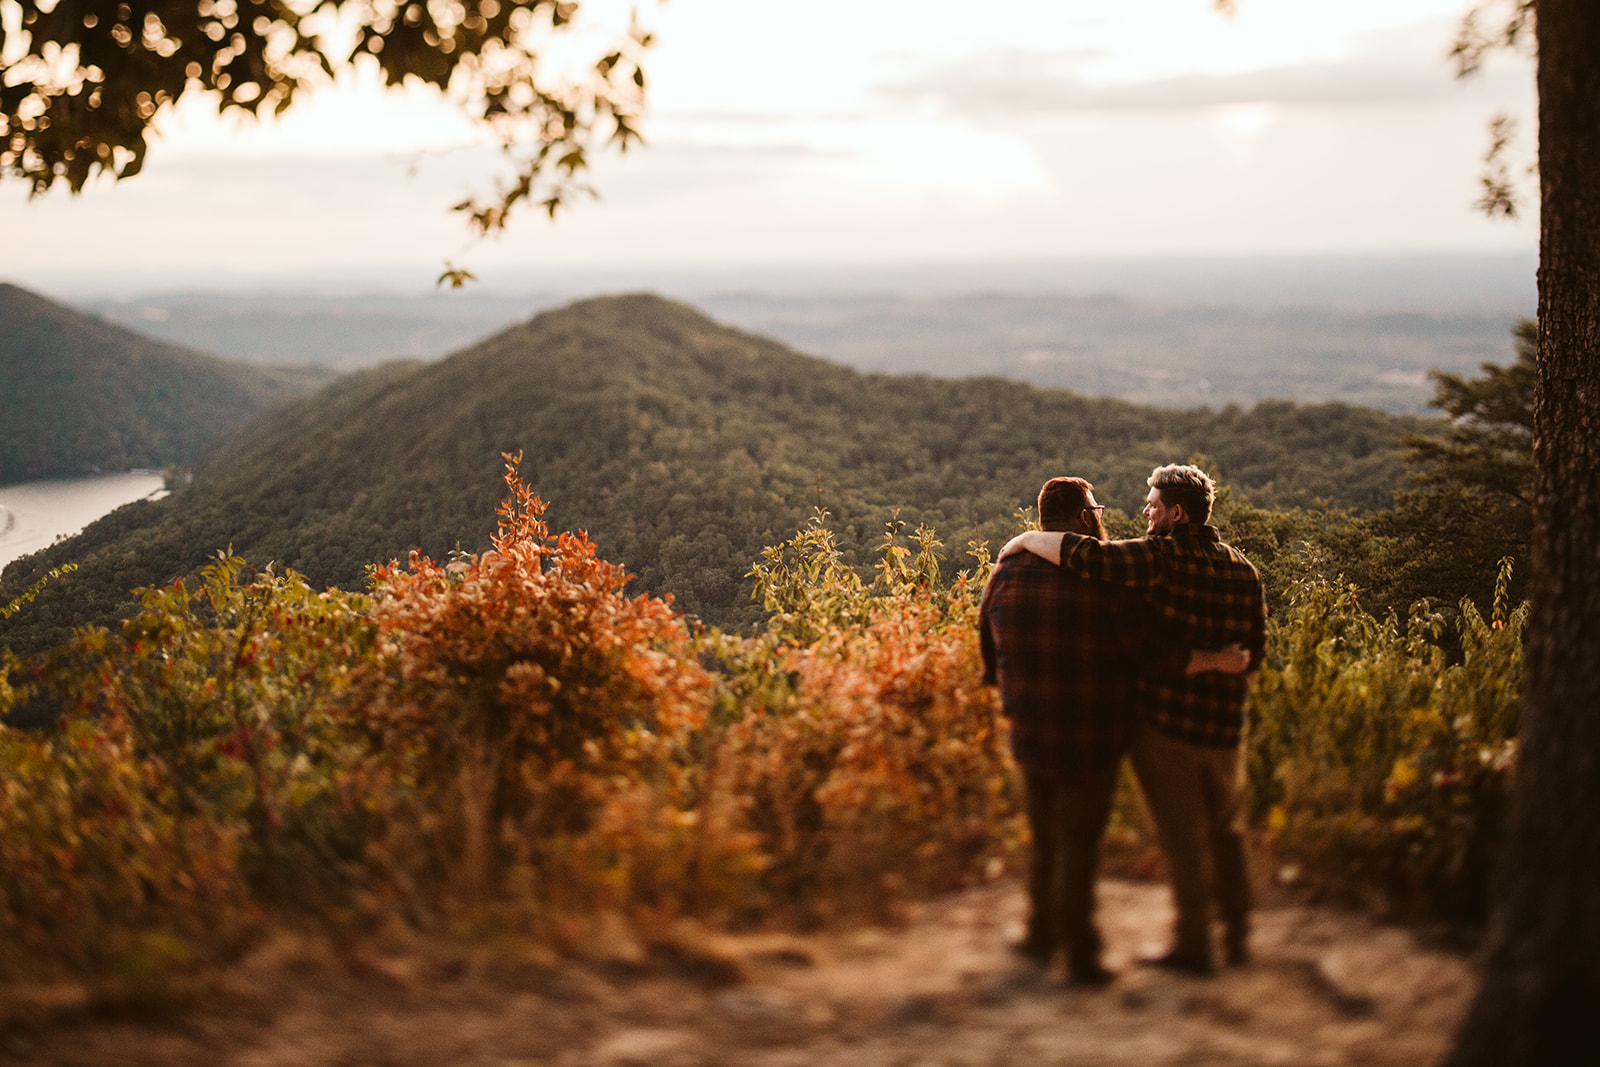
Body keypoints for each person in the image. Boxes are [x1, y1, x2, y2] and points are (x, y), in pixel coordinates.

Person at [999, 464, 1267, 976]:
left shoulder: (1156, 558)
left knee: (1183, 840)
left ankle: (1195, 947)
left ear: (1176, 512)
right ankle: (1236, 933)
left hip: (1168, 726)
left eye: (1151, 504)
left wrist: (1026, 539)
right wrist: (1222, 670)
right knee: (1226, 832)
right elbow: (1253, 656)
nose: (1145, 512)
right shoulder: (1244, 569)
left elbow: (1086, 556)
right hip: (1227, 729)